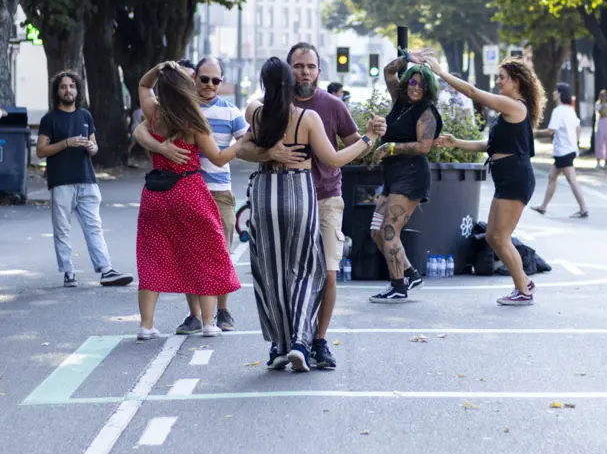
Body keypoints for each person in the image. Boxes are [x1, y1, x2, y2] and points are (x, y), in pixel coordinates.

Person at [236, 42, 381, 370]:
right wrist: (270, 153)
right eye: (298, 66)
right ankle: (287, 342)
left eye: (311, 66)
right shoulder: (272, 109)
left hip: (325, 198)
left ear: (319, 70)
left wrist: (373, 139)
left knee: (326, 273)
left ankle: (316, 340)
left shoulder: (330, 106)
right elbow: (244, 148)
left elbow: (350, 145)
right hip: (298, 196)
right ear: (289, 71)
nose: (305, 72)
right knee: (289, 273)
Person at [130, 62, 242, 341]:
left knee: (151, 257)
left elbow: (144, 85)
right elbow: (217, 157)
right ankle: (207, 322)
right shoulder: (194, 121)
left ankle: (146, 325)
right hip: (189, 192)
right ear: (187, 88)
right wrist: (242, 143)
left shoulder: (154, 114)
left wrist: (157, 68)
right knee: (204, 253)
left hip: (156, 195)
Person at [432, 56, 544, 306]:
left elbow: (472, 91)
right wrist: (456, 142)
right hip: (507, 177)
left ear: (515, 82)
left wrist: (441, 72)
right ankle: (523, 280)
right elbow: (491, 145)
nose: (498, 81)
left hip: (516, 178)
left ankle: (523, 290)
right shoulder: (510, 110)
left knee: (501, 237)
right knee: (493, 236)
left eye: (502, 77)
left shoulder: (515, 105)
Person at [36, 71, 134, 288]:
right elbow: (40, 151)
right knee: (62, 229)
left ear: (77, 90)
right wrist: (66, 143)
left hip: (87, 180)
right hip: (61, 182)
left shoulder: (85, 116)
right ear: (57, 91)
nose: (68, 90)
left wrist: (92, 148)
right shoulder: (49, 119)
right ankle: (68, 271)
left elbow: (94, 145)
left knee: (94, 227)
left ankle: (106, 270)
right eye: (63, 87)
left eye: (72, 86)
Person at [368, 50, 443, 303]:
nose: (416, 87)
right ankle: (411, 274)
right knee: (377, 232)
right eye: (412, 81)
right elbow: (390, 71)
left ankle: (398, 286)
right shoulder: (400, 101)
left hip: (411, 177)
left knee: (390, 230)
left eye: (422, 84)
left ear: (428, 88)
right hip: (393, 176)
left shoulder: (427, 112)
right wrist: (409, 58)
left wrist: (391, 148)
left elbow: (424, 147)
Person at [532, 82, 588, 218]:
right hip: (568, 150)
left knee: (572, 180)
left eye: (556, 91)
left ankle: (583, 209)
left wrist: (534, 132)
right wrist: (574, 142)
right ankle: (543, 206)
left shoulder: (558, 111)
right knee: (552, 176)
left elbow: (550, 131)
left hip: (563, 151)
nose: (553, 93)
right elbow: (578, 128)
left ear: (560, 94)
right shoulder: (570, 110)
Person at [594, 90, 607, 169]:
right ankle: (598, 161)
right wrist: (602, 105)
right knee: (599, 142)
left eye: (605, 95)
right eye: (602, 96)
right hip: (600, 123)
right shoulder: (598, 104)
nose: (604, 97)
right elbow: (597, 111)